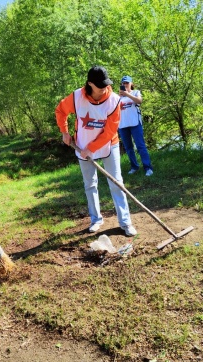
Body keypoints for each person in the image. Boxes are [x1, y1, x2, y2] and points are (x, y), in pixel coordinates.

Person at [55, 66, 137, 236]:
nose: (104, 88)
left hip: (109, 144)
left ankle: (125, 222)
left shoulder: (114, 100)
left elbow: (110, 131)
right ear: (90, 84)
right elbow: (61, 110)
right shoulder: (77, 97)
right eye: (100, 85)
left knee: (116, 182)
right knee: (90, 184)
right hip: (82, 144)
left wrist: (91, 148)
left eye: (106, 84)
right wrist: (64, 132)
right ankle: (96, 219)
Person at [117, 75, 154, 176]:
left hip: (135, 124)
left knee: (140, 146)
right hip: (123, 125)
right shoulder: (118, 97)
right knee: (128, 148)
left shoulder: (135, 92)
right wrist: (119, 96)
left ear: (131, 84)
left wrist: (127, 94)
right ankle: (134, 166)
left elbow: (139, 101)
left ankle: (148, 168)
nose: (125, 84)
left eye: (127, 83)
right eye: (123, 83)